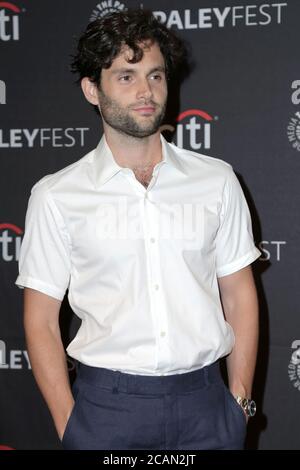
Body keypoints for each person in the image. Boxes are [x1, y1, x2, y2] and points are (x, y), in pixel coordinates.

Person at [15, 9, 261, 450]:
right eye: (125, 77)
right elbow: (40, 320)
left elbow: (240, 294)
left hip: (208, 406)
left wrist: (238, 401)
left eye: (155, 75)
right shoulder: (56, 196)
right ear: (93, 89)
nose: (146, 91)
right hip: (107, 410)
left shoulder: (217, 180)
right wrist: (71, 427)